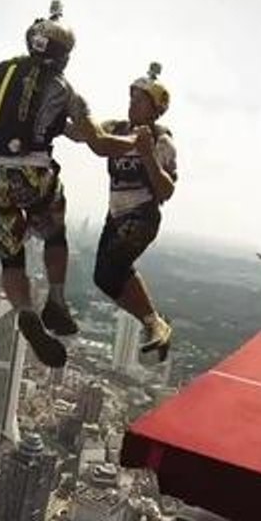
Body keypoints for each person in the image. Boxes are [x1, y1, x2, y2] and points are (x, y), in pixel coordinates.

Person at [0, 0, 140, 368]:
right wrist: (134, 141)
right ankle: (57, 299)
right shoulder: (65, 90)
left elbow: (57, 127)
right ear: (65, 55)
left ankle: (25, 312)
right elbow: (97, 142)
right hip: (33, 175)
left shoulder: (5, 72)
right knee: (54, 234)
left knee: (11, 259)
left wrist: (95, 128)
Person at [91, 62, 178, 361]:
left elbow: (166, 191)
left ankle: (154, 323)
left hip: (141, 215)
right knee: (104, 277)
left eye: (140, 100)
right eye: (131, 98)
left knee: (115, 264)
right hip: (115, 215)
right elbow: (89, 134)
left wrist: (147, 155)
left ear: (155, 109)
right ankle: (154, 322)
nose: (132, 104)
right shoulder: (117, 129)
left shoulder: (162, 141)